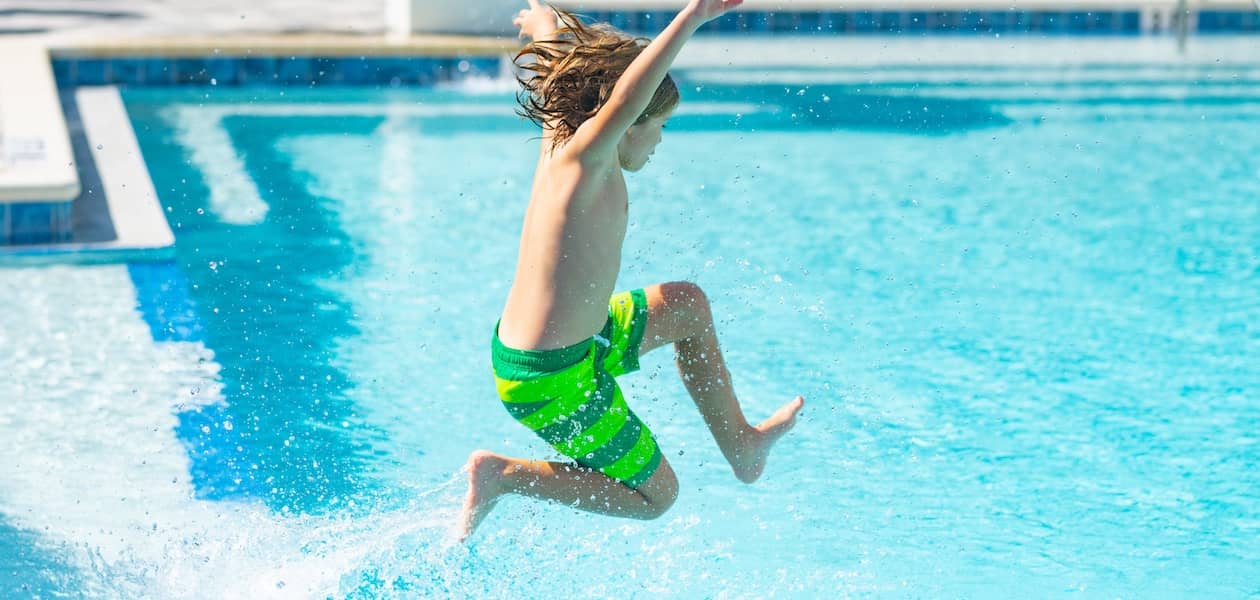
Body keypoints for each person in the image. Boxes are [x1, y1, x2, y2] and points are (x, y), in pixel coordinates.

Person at [458, 0, 803, 541]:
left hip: (577, 345)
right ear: (625, 123)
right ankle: (504, 476)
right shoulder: (584, 162)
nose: (661, 139)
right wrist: (691, 18)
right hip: (548, 379)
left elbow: (558, 71)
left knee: (687, 304)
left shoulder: (562, 136)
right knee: (656, 497)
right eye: (658, 124)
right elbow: (622, 97)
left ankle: (742, 445)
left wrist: (544, 24)